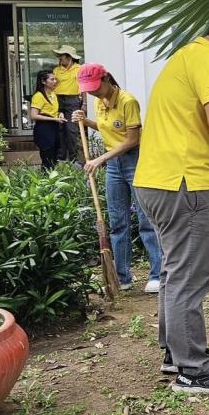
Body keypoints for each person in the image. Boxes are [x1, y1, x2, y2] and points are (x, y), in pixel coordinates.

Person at [134, 10, 209, 395]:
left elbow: (186, 130)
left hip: (158, 181)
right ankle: (194, 369)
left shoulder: (184, 56)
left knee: (174, 271)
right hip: (180, 183)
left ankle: (174, 353)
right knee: (190, 275)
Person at [73, 63, 163, 295]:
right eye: (88, 88)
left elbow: (132, 139)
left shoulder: (127, 101)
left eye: (94, 86)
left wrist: (100, 158)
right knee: (117, 221)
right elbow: (107, 130)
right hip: (114, 165)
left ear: (105, 79)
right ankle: (123, 276)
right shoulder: (97, 102)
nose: (91, 91)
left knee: (146, 220)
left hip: (135, 160)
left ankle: (157, 274)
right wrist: (85, 121)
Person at [29, 70, 67, 169]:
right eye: (52, 79)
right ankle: (45, 179)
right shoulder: (38, 96)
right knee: (47, 158)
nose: (55, 81)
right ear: (43, 81)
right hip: (44, 129)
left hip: (54, 127)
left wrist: (60, 114)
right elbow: (34, 115)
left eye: (55, 79)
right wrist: (53, 119)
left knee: (54, 158)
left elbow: (56, 110)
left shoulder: (53, 94)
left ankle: (52, 180)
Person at [53, 46, 84, 162]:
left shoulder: (79, 69)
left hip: (73, 100)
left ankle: (74, 159)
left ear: (69, 57)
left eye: (62, 56)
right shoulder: (56, 70)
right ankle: (60, 158)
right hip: (58, 100)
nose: (60, 58)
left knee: (72, 130)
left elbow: (83, 87)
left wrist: (84, 103)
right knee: (60, 129)